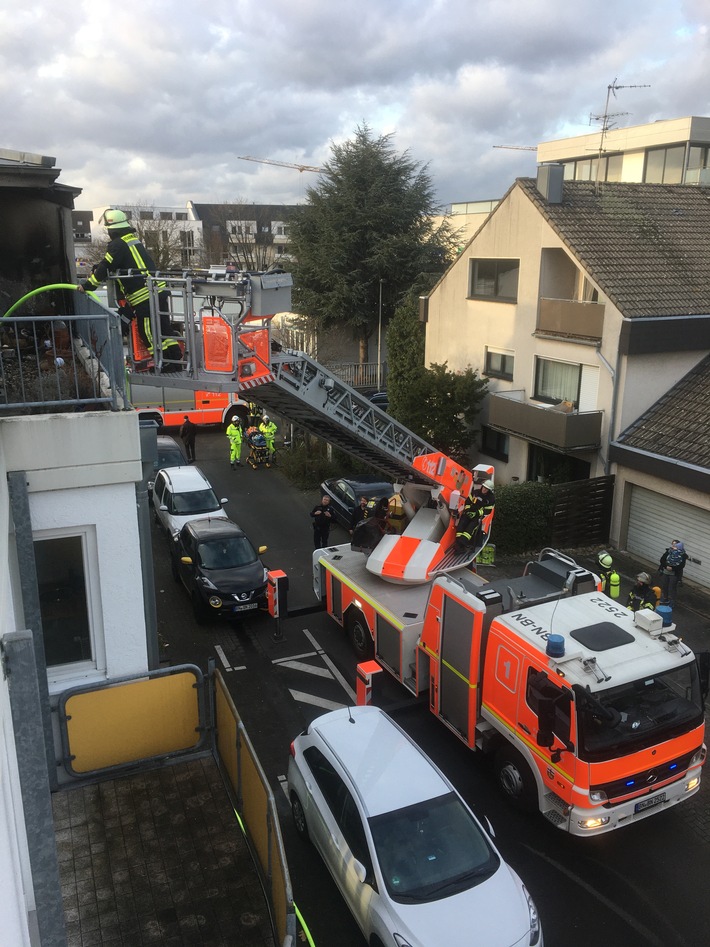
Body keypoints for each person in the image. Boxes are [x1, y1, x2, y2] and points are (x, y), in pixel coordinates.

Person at [78, 209, 182, 372]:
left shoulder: (117, 244)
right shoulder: (132, 240)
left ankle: (164, 363)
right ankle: (175, 360)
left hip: (145, 296)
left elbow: (106, 266)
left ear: (111, 228)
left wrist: (87, 286)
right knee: (163, 328)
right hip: (157, 291)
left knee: (147, 332)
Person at [659, 540, 688, 605]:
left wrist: (673, 568)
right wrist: (666, 566)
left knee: (672, 587)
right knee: (665, 586)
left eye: (675, 545)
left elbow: (681, 565)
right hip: (666, 572)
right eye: (673, 544)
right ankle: (665, 598)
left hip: (674, 574)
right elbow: (662, 560)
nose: (673, 546)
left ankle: (672, 600)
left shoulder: (682, 554)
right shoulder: (668, 551)